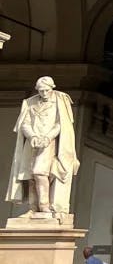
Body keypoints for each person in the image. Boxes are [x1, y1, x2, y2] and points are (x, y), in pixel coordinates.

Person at [7, 76, 79, 219]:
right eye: (41, 91)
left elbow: (61, 124)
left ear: (51, 88)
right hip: (32, 143)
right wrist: (32, 136)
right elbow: (25, 123)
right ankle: (34, 208)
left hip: (49, 143)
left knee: (39, 172)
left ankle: (44, 206)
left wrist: (48, 137)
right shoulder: (31, 103)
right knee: (30, 175)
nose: (44, 93)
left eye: (46, 90)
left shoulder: (58, 101)